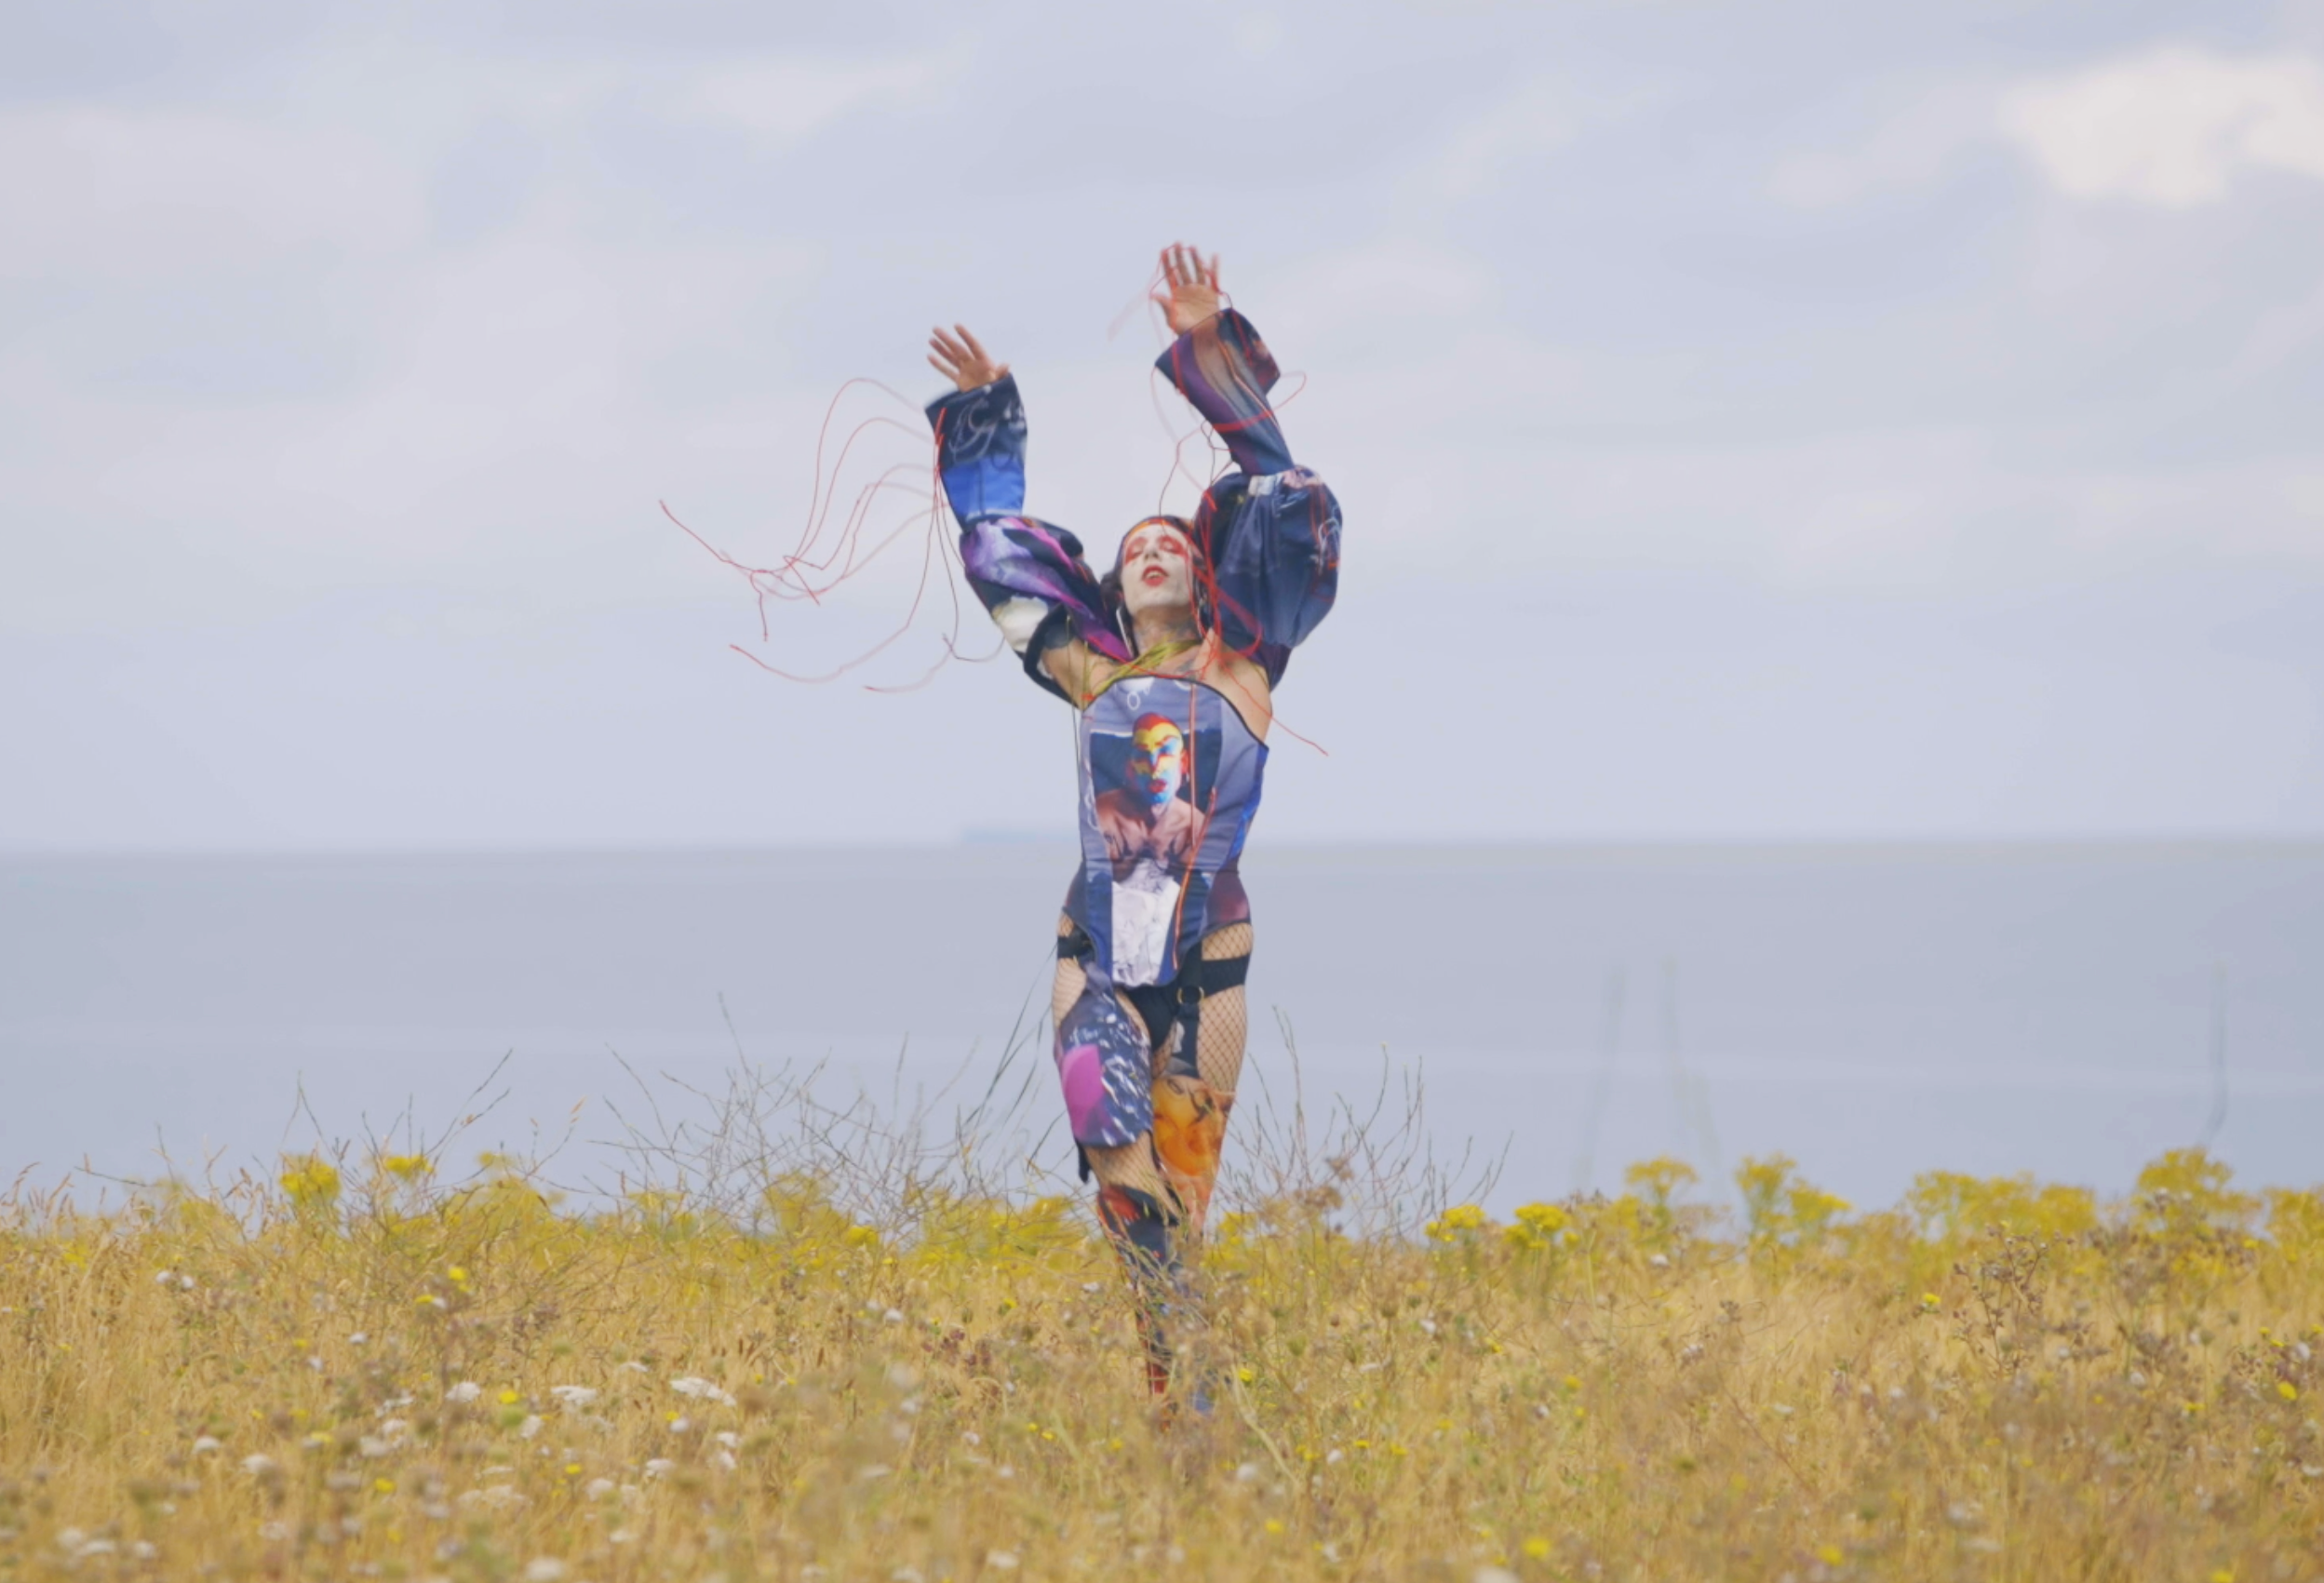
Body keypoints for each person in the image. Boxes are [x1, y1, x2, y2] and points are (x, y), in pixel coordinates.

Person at [924, 243, 1342, 1405]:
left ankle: (1184, 1407)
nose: (1154, 549)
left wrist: (1207, 343)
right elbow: (994, 550)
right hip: (1093, 953)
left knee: (1180, 1203)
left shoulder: (1246, 662)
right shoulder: (1087, 673)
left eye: (1173, 543)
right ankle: (1194, 1391)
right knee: (1116, 1163)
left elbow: (1277, 485)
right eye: (1135, 549)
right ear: (1113, 588)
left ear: (1207, 577)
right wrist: (984, 414)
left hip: (1211, 958)